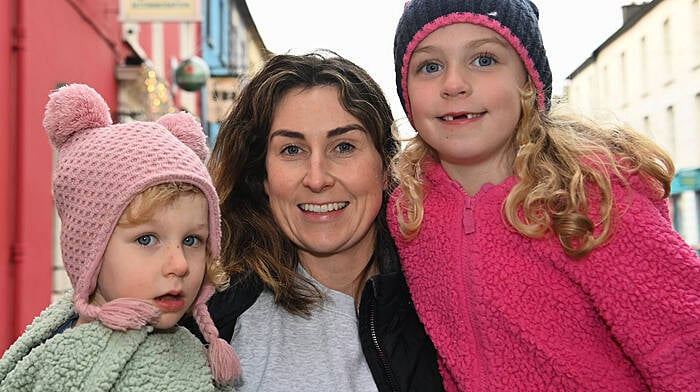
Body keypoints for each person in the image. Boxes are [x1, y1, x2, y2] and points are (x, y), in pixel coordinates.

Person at [387, 0, 700, 391]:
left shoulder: (587, 195)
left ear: (529, 82)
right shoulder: (407, 209)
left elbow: (686, 344)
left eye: (484, 60)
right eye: (430, 67)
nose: (454, 84)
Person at [181, 51, 444, 391]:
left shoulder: (445, 301)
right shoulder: (209, 315)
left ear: (385, 165)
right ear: (262, 177)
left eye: (344, 146)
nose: (317, 179)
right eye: (292, 150)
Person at [0, 84, 240, 391]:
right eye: (147, 240)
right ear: (90, 250)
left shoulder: (175, 376)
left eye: (192, 240)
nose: (179, 264)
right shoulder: (60, 326)